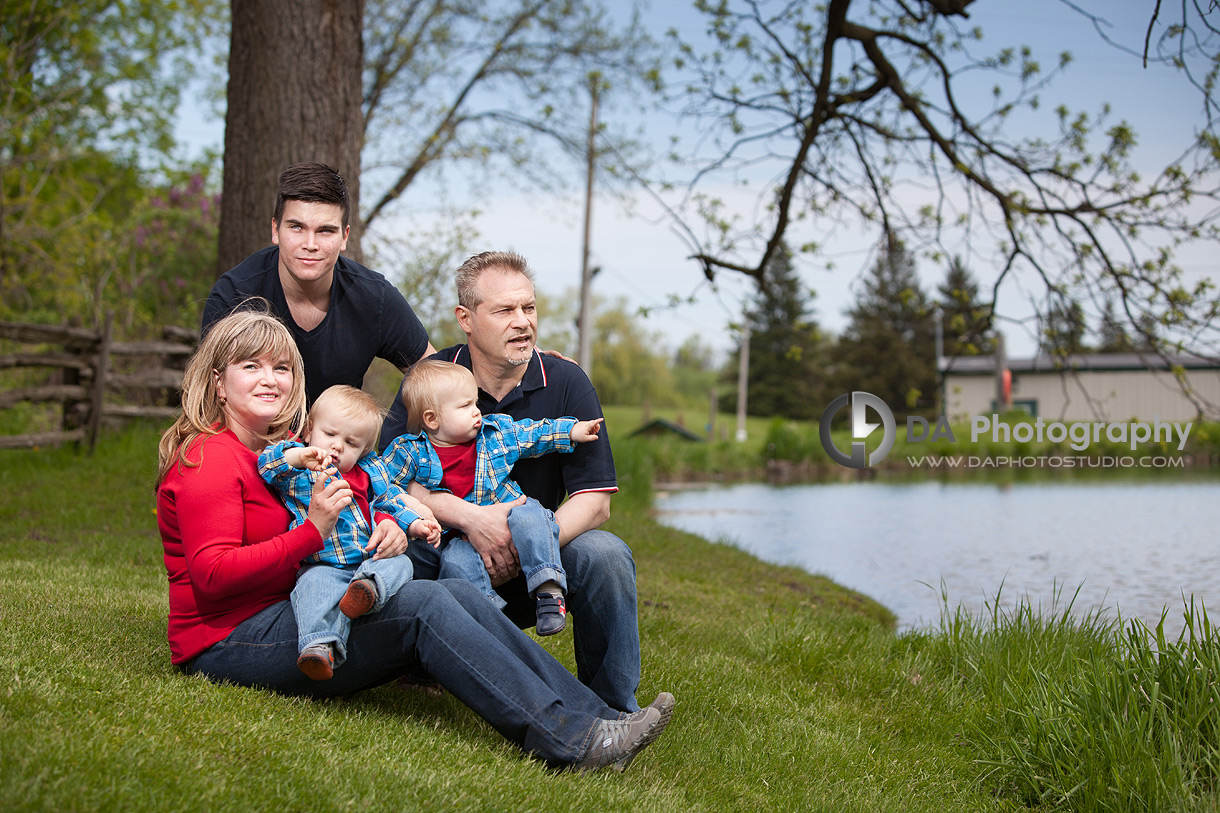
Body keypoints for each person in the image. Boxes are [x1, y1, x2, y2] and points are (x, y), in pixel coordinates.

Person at [156, 310, 673, 771]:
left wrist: (382, 526)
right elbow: (213, 578)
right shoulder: (210, 460)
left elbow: (354, 502)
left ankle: (601, 716)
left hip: (291, 606)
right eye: (251, 367)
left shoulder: (282, 453)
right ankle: (574, 741)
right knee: (425, 604)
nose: (269, 380)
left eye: (281, 368)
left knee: (453, 591)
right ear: (218, 382)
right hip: (228, 639)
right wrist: (313, 531)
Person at [380, 251, 642, 716]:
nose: (522, 322)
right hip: (452, 559)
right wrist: (468, 519)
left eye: (529, 308)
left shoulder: (566, 381)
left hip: (542, 563)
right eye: (505, 310)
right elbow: (385, 480)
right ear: (466, 318)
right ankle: (416, 670)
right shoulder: (430, 382)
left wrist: (522, 543)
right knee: (403, 541)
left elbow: (595, 501)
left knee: (605, 555)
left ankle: (612, 710)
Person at [384, 360, 604, 636]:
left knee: (533, 519)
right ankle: (487, 617)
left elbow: (532, 435)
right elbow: (382, 483)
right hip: (462, 536)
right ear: (432, 419)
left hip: (512, 512)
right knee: (455, 563)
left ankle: (548, 587)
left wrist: (571, 431)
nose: (477, 412)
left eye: (475, 403)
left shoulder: (493, 434)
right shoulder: (410, 452)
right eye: (465, 407)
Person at [201, 162, 437, 405]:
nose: (310, 244)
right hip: (253, 440)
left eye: (325, 231)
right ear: (275, 230)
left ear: (344, 237)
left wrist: (397, 436)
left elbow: (437, 378)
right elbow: (207, 397)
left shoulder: (374, 297)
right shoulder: (235, 294)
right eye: (296, 227)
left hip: (336, 441)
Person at [258, 384, 443, 681]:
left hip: (369, 558)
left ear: (364, 450)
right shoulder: (300, 470)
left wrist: (416, 525)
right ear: (309, 430)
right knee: (312, 589)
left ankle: (368, 590)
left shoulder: (368, 473)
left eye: (351, 443)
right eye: (329, 435)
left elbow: (390, 502)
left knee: (402, 563)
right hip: (321, 562)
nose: (337, 447)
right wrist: (297, 456)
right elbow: (267, 465)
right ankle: (319, 647)